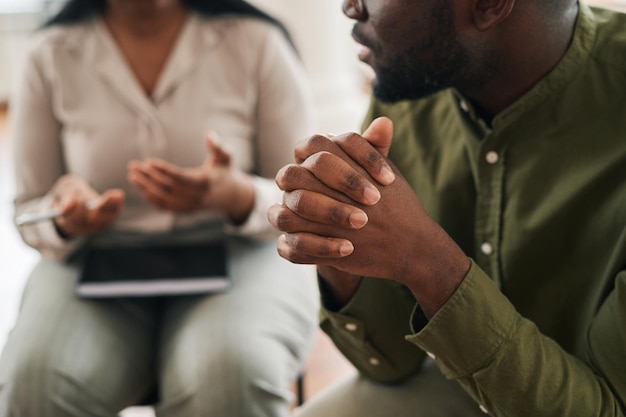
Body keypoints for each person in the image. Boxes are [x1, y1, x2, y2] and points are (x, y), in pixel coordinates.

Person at [268, 0, 626, 416]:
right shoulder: (415, 78)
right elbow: (389, 366)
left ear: (490, 6)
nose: (349, 6)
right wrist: (334, 236)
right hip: (460, 388)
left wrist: (428, 263)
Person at [0, 0, 319, 416]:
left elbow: (306, 198)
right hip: (96, 257)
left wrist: (236, 195)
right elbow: (29, 211)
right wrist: (63, 217)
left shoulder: (258, 41)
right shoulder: (49, 53)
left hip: (240, 251)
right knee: (35, 384)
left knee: (231, 376)